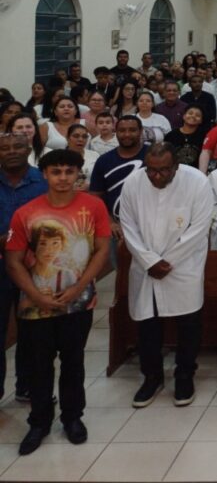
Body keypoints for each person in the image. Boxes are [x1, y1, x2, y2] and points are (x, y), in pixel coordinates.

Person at [5, 149, 110, 455]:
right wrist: (36, 295)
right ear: (45, 175)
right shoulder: (26, 213)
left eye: (69, 171)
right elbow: (13, 261)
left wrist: (79, 288)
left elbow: (102, 249)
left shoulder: (93, 207)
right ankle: (38, 422)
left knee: (73, 362)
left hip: (78, 302)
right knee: (38, 365)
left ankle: (72, 418)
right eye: (56, 172)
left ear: (78, 173)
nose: (63, 178)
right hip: (34, 305)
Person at [118, 143, 214, 408]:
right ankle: (152, 376)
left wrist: (168, 261)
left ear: (176, 167)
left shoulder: (197, 182)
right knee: (147, 323)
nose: (156, 177)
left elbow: (200, 226)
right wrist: (149, 260)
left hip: (184, 265)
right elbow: (128, 224)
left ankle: (184, 374)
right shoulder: (134, 182)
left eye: (163, 171)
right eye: (152, 171)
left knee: (188, 323)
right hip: (145, 264)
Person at [0, 134, 48, 402]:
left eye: (17, 146)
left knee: (31, 332)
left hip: (34, 267)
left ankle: (27, 386)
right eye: (4, 148)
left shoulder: (42, 182)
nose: (11, 151)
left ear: (28, 148)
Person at [89, 115, 148, 241]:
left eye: (132, 130)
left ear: (141, 131)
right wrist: (110, 222)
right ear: (116, 132)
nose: (127, 134)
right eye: (122, 130)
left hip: (150, 223)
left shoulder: (153, 156)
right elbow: (96, 197)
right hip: (116, 227)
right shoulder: (104, 160)